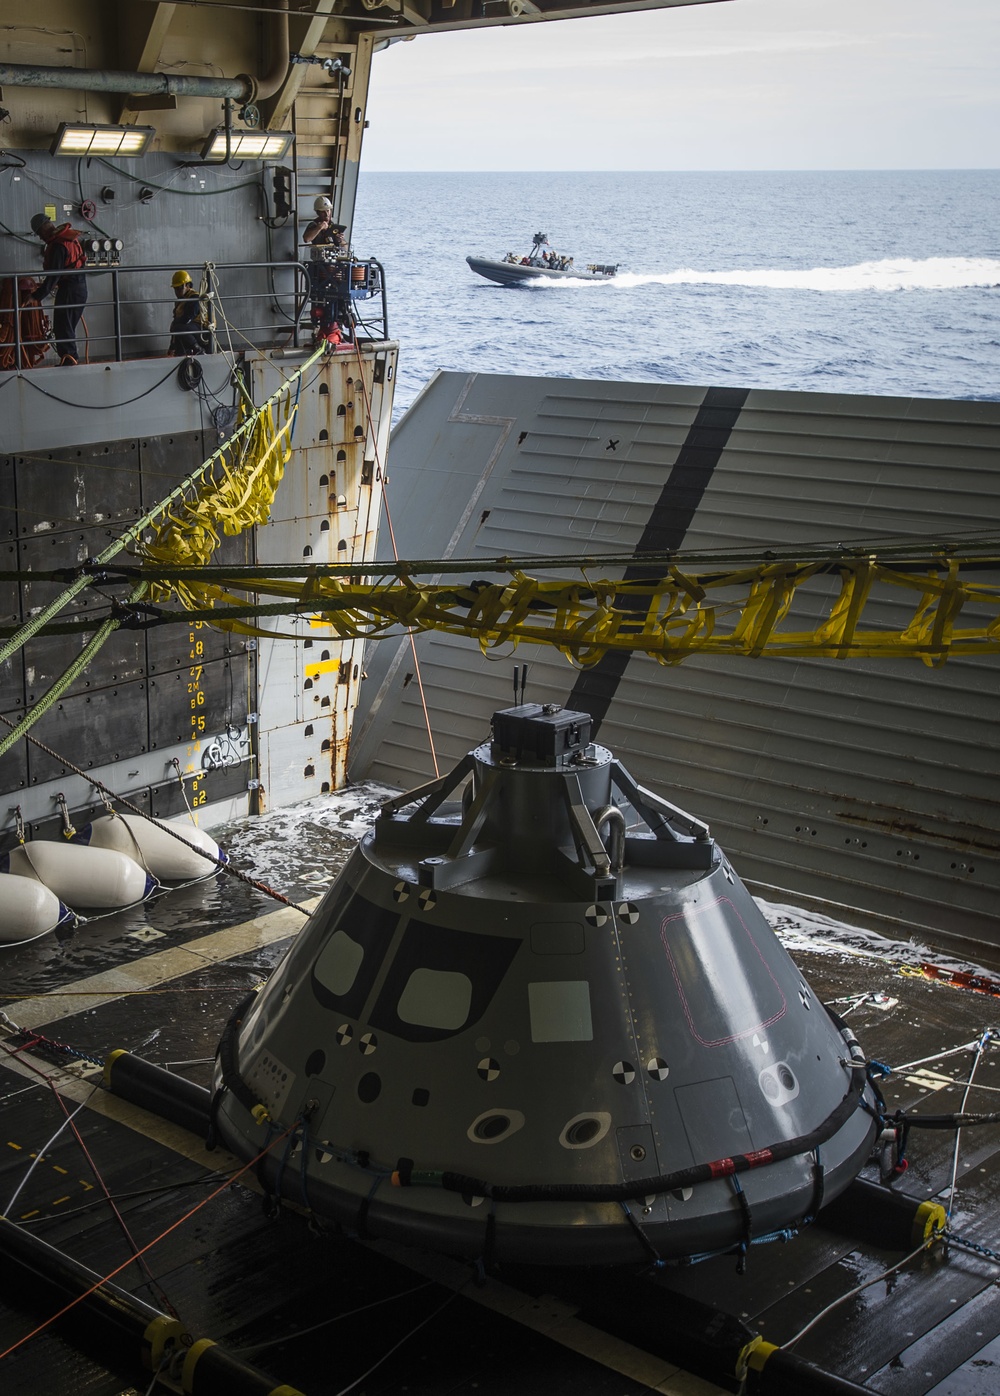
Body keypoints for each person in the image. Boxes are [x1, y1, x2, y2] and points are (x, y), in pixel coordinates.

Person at [30, 213, 87, 365]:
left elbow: (53, 276)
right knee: (66, 326)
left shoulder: (58, 246)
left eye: (39, 233)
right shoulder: (69, 239)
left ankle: (69, 361)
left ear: (44, 228)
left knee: (63, 327)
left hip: (70, 290)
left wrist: (36, 296)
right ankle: (68, 359)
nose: (41, 237)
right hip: (79, 288)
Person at [302, 196, 351, 345]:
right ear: (318, 212)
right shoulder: (313, 225)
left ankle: (340, 319)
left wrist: (341, 241)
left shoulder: (334, 227)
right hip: (321, 270)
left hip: (334, 268)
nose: (327, 214)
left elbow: (344, 248)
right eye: (323, 212)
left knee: (340, 296)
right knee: (321, 298)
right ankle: (324, 326)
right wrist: (319, 228)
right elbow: (306, 238)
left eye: (328, 211)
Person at [168, 270, 211, 356]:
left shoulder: (194, 298)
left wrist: (175, 323)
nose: (177, 291)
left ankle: (199, 350)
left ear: (187, 286)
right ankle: (180, 354)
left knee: (178, 328)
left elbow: (186, 319)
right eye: (175, 288)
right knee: (177, 328)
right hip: (193, 330)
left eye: (179, 288)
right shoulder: (181, 301)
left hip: (203, 331)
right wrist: (172, 347)